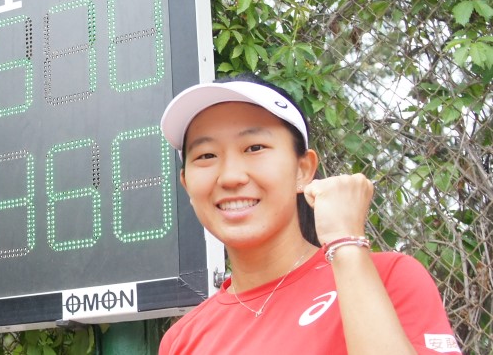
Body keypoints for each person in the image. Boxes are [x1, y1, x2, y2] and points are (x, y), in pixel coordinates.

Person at [157, 73, 461, 354]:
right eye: (206, 155)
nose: (230, 177)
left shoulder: (388, 277)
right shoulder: (182, 340)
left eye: (254, 147)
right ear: (186, 184)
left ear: (303, 169)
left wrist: (345, 242)